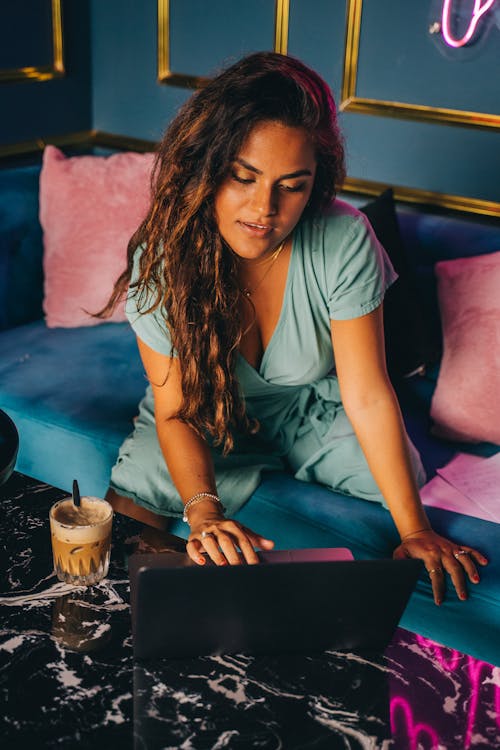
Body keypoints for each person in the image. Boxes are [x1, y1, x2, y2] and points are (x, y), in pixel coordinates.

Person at [99, 51, 487, 605]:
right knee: (129, 545)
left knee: (405, 491)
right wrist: (205, 513)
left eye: (293, 185)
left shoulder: (344, 237)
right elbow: (176, 409)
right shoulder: (164, 256)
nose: (265, 208)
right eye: (244, 176)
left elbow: (368, 392)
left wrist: (414, 531)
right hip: (205, 414)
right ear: (207, 166)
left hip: (317, 413)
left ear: (316, 183)